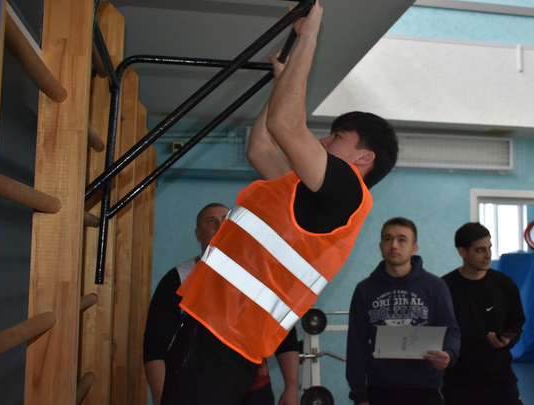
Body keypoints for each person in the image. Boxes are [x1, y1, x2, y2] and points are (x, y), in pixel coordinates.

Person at [163, 2, 400, 404]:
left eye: (337, 136)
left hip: (230, 338)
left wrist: (308, 37)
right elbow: (260, 146)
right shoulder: (308, 192)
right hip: (210, 324)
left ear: (364, 158)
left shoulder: (348, 192)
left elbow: (285, 124)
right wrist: (282, 82)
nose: (323, 139)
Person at [143, 203, 300, 405]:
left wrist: (291, 387)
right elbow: (155, 344)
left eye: (226, 219)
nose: (220, 225)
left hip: (255, 392)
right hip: (197, 392)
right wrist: (160, 396)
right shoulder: (179, 278)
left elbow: (285, 334)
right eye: (211, 221)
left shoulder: (261, 278)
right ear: (198, 234)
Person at [346, 217, 460, 405]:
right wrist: (359, 395)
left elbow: (452, 330)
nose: (394, 245)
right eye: (388, 239)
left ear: (414, 248)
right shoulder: (364, 289)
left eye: (402, 240)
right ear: (381, 246)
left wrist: (449, 353)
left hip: (426, 388)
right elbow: (356, 345)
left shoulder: (435, 286)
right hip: (380, 388)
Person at [441, 222, 526, 405]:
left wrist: (508, 340)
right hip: (458, 382)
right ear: (463, 252)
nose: (488, 255)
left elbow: (516, 322)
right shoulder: (444, 288)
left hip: (500, 379)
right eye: (480, 250)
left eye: (489, 248)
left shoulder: (504, 284)